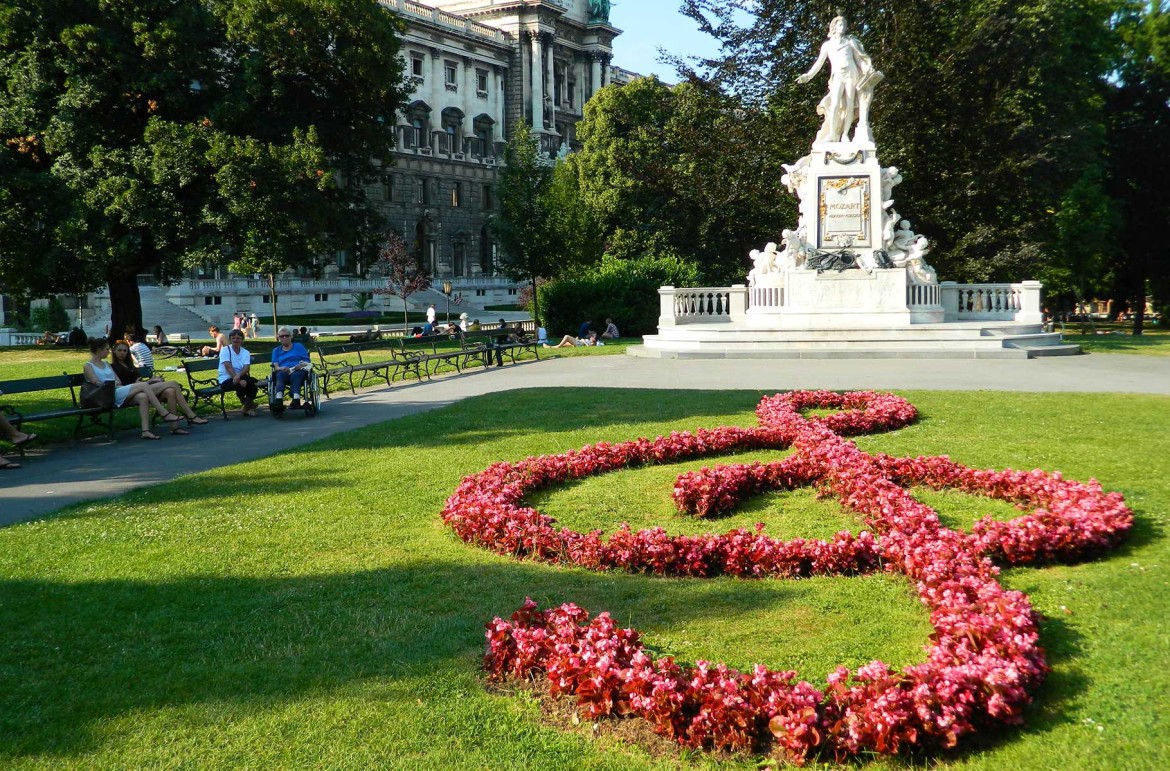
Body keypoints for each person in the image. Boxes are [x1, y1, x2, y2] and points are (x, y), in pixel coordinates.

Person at [796, 15, 882, 145]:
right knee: (835, 104)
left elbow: (859, 60)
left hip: (851, 74)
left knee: (849, 104)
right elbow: (818, 63)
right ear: (834, 27)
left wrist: (867, 69)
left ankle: (845, 134)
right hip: (837, 75)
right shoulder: (827, 45)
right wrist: (808, 76)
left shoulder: (850, 42)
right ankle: (833, 133)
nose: (843, 28)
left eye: (844, 26)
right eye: (840, 25)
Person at [84, 337, 183, 440]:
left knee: (142, 396)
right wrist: (113, 383)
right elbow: (97, 383)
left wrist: (116, 384)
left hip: (117, 390)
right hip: (106, 396)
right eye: (106, 349)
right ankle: (164, 413)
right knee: (144, 385)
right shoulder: (88, 366)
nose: (109, 352)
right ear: (99, 350)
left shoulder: (106, 364)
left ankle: (145, 431)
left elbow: (118, 381)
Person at [109, 340, 206, 434]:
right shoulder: (112, 367)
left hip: (143, 390)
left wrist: (152, 381)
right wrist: (147, 382)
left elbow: (141, 382)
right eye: (119, 350)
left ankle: (174, 427)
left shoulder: (129, 365)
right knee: (173, 383)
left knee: (170, 391)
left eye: (125, 351)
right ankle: (191, 415)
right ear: (114, 351)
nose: (122, 353)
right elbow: (123, 387)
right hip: (131, 394)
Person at [218, 328, 259, 416]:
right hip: (226, 378)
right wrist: (238, 379)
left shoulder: (245, 352)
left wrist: (239, 376)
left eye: (238, 338)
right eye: (233, 338)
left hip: (241, 376)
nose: (235, 340)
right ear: (230, 339)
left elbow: (246, 367)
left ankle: (245, 408)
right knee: (242, 384)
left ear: (242, 339)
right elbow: (227, 366)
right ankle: (247, 404)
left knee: (253, 385)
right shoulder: (225, 350)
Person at [270, 326, 312, 412]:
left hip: (298, 370)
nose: (284, 337)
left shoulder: (299, 346)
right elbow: (276, 366)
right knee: (280, 375)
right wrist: (282, 368)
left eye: (287, 335)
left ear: (291, 336)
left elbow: (307, 361)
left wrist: (300, 366)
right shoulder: (276, 350)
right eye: (282, 336)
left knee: (296, 375)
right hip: (283, 371)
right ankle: (279, 399)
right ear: (278, 338)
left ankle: (296, 399)